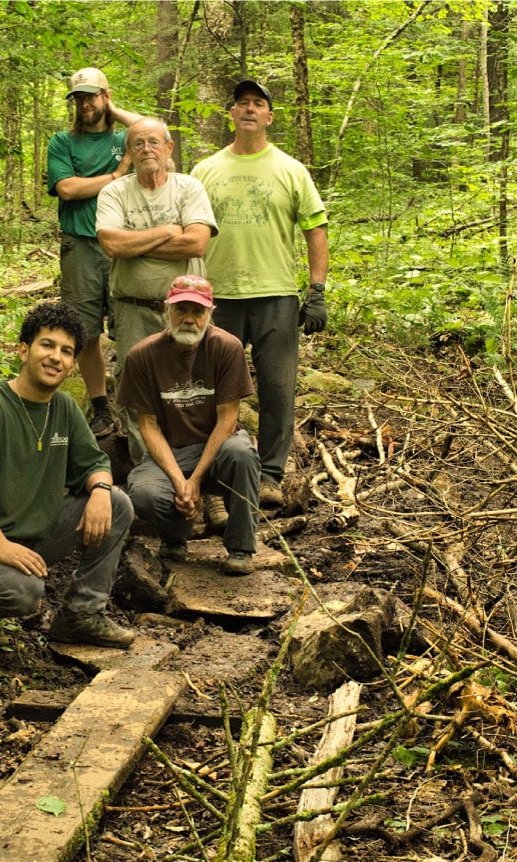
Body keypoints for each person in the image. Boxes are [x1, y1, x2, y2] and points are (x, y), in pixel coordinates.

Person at [0, 302, 136, 649]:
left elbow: (94, 462)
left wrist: (100, 490)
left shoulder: (65, 408)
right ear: (24, 350)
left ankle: (80, 615)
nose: (56, 357)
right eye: (47, 345)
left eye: (66, 351)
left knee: (116, 504)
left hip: (32, 535)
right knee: (24, 593)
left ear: (73, 365)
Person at [191, 79, 329, 509]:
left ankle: (270, 475)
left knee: (276, 388)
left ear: (269, 117)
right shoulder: (204, 171)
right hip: (218, 297)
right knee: (211, 391)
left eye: (258, 104)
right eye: (242, 103)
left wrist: (317, 290)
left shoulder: (290, 170)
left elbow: (316, 229)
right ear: (230, 114)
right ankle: (213, 481)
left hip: (275, 295)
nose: (249, 109)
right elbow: (188, 233)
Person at [96, 116, 217, 468]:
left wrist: (135, 244)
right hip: (133, 310)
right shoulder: (114, 192)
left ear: (168, 148)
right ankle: (151, 480)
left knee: (194, 391)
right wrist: (166, 230)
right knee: (138, 395)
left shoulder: (188, 187)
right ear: (128, 153)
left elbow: (196, 243)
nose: (146, 149)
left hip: (189, 310)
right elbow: (111, 244)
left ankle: (199, 478)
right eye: (137, 143)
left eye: (153, 142)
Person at [118, 275, 260, 577]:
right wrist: (179, 481)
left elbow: (227, 419)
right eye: (181, 310)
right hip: (169, 452)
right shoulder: (142, 355)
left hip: (217, 450)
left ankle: (241, 547)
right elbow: (149, 426)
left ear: (210, 314)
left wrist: (194, 480)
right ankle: (175, 535)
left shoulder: (227, 347)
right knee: (143, 493)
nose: (189, 319)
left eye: (198, 312)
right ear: (166, 311)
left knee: (242, 452)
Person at [46, 66, 141, 438]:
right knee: (84, 330)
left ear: (106, 95)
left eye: (92, 95)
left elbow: (155, 129)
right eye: (79, 97)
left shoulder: (126, 138)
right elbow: (67, 189)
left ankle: (135, 402)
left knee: (130, 325)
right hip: (81, 245)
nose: (85, 104)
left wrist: (114, 110)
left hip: (124, 246)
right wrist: (118, 174)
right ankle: (100, 404)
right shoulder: (63, 142)